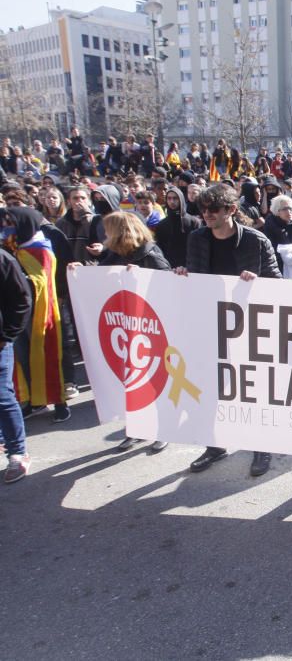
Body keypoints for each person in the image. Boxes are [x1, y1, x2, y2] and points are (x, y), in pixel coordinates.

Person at [175, 184, 280, 477]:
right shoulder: (197, 238)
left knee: (254, 389)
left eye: (214, 210)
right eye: (204, 209)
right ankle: (215, 444)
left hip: (249, 326)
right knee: (212, 387)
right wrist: (182, 275)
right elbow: (195, 278)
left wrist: (257, 281)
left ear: (231, 210)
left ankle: (261, 445)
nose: (207, 214)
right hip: (211, 325)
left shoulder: (256, 240)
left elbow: (278, 283)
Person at [73, 211, 172, 451]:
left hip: (149, 328)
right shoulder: (116, 252)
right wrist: (82, 271)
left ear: (121, 230)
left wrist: (139, 278)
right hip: (124, 327)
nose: (105, 234)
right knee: (131, 381)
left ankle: (163, 429)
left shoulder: (149, 252)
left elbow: (168, 282)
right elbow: (102, 275)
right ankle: (137, 429)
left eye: (108, 229)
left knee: (153, 381)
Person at [2, 207, 71, 422]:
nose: (6, 228)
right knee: (22, 358)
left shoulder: (41, 250)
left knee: (47, 356)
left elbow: (41, 282)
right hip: (15, 315)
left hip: (40, 314)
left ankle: (60, 403)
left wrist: (20, 277)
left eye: (9, 223)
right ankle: (34, 401)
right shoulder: (12, 249)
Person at [0, 244, 32, 483]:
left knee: (2, 395)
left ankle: (17, 453)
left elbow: (22, 300)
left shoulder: (3, 260)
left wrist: (6, 336)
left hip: (0, 343)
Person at [155, 186, 199, 269]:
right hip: (168, 269)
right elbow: (159, 250)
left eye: (175, 198)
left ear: (181, 199)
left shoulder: (194, 222)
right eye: (169, 198)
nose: (172, 201)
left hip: (190, 269)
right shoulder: (161, 225)